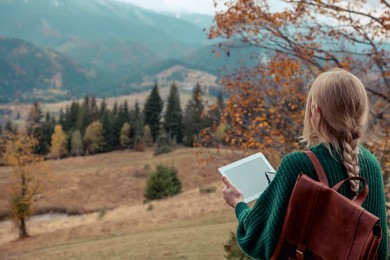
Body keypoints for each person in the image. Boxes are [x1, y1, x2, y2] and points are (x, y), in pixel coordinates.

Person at [222, 68, 388, 260]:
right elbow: (380, 250)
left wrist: (238, 204)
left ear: (315, 111)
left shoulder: (298, 165)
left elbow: (257, 238)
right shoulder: (372, 165)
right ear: (360, 112)